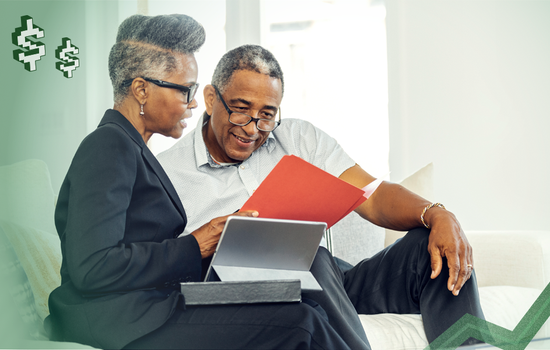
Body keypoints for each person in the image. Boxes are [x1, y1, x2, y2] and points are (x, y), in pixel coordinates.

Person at [45, 15, 356, 350]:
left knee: (301, 302)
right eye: (185, 90)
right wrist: (195, 245)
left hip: (152, 307)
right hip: (122, 321)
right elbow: (92, 267)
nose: (194, 103)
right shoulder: (108, 145)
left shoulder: (134, 150)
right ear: (141, 90)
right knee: (302, 325)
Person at [157, 44, 486, 347]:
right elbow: (167, 272)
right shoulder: (168, 174)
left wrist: (438, 214)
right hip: (248, 298)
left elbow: (372, 194)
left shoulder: (300, 138)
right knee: (300, 251)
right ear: (212, 98)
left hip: (328, 281)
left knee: (427, 246)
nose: (252, 128)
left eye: (267, 115)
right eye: (241, 110)